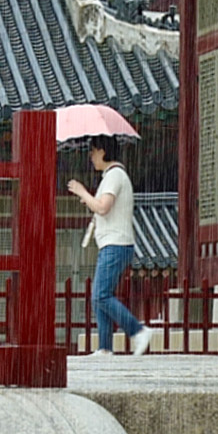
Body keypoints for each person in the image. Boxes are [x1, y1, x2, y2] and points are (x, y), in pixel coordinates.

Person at [68, 137, 152, 355]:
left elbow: (103, 207)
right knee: (100, 295)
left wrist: (82, 192)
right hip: (113, 244)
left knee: (101, 295)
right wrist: (89, 198)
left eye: (93, 151)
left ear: (103, 151)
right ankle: (105, 347)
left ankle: (137, 330)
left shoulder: (115, 175)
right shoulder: (111, 176)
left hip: (116, 243)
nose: (91, 156)